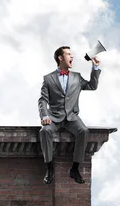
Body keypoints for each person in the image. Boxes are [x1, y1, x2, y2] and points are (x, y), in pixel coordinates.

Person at [38, 45, 101, 184]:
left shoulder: (77, 77)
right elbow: (43, 100)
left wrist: (95, 68)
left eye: (71, 54)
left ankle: (75, 169)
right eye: (68, 54)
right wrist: (44, 116)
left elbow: (92, 86)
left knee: (84, 131)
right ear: (60, 58)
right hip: (54, 117)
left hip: (72, 117)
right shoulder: (48, 79)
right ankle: (49, 168)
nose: (72, 57)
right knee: (45, 132)